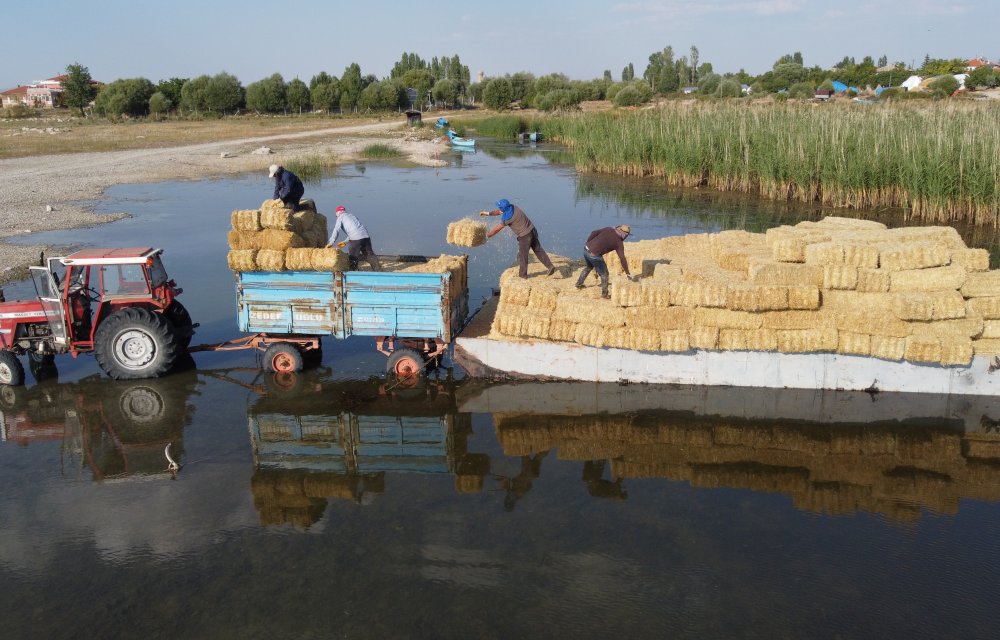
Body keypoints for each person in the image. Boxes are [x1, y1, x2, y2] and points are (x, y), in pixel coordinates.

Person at [483, 198, 556, 279]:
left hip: (525, 236)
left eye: (500, 207)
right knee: (538, 249)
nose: (499, 208)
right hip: (532, 229)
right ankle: (550, 266)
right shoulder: (513, 207)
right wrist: (487, 213)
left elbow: (496, 229)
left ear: (504, 208)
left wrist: (486, 236)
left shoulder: (507, 218)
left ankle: (523, 276)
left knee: (523, 256)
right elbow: (499, 211)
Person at [574, 224, 639, 299]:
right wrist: (628, 273)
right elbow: (622, 258)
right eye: (627, 235)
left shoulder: (609, 229)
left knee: (589, 267)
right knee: (604, 274)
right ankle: (604, 294)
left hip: (586, 249)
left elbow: (593, 232)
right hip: (594, 255)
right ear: (624, 234)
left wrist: (588, 243)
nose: (626, 237)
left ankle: (578, 284)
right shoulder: (618, 242)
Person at [325, 205, 381, 271]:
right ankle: (377, 270)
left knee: (353, 257)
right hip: (366, 236)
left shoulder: (340, 217)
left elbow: (336, 230)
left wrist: (331, 242)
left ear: (337, 213)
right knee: (369, 254)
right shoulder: (351, 216)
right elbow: (356, 230)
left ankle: (353, 272)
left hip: (356, 239)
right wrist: (345, 242)